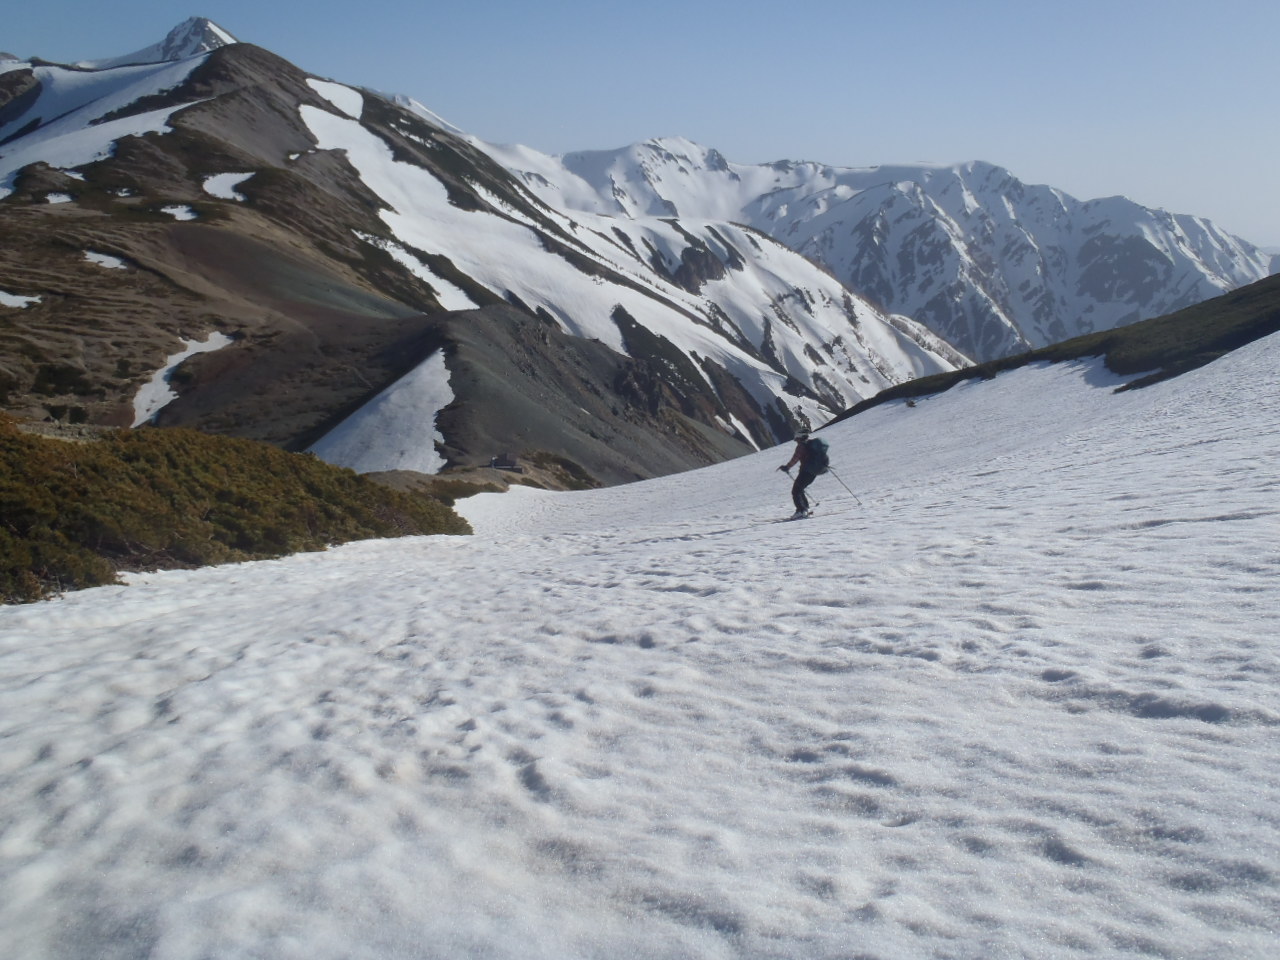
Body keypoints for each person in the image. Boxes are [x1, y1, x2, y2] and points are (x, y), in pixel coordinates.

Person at [778, 430, 818, 519]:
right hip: (814, 471)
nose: (796, 440)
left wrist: (787, 467)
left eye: (796, 439)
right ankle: (805, 508)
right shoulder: (811, 444)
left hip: (806, 471)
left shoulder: (801, 446)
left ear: (799, 437)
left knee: (795, 491)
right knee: (800, 489)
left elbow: (795, 458)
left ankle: (801, 511)